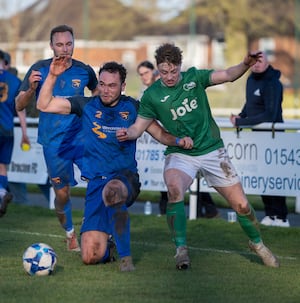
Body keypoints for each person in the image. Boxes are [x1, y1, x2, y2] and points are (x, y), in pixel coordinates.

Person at [116, 43, 280, 270]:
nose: (170, 76)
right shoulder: (152, 96)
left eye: (174, 71)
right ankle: (181, 249)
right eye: (164, 72)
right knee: (174, 189)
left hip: (212, 149)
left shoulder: (194, 77)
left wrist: (244, 64)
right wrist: (128, 133)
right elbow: (138, 127)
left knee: (242, 206)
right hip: (181, 153)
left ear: (180, 67)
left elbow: (228, 75)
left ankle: (257, 244)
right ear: (158, 69)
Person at [36, 58, 193, 271]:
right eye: (102, 84)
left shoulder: (134, 107)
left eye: (112, 85)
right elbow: (43, 104)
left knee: (112, 191)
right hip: (95, 184)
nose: (106, 90)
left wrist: (178, 140)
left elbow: (160, 134)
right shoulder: (86, 105)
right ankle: (107, 244)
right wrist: (53, 76)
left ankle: (126, 259)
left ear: (122, 86)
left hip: (124, 178)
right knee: (90, 256)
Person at [15, 24, 99, 251]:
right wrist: (32, 90)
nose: (64, 49)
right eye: (59, 44)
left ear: (74, 43)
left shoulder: (84, 70)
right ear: (51, 45)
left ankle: (95, 229)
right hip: (54, 144)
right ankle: (70, 232)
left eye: (69, 44)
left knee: (99, 180)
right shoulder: (39, 69)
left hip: (82, 139)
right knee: (62, 195)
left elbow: (98, 94)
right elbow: (19, 104)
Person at [230, 51, 289, 228]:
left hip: (273, 137)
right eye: (254, 61)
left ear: (267, 62)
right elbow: (250, 103)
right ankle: (270, 214)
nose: (256, 64)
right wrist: (241, 115)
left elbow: (270, 114)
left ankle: (281, 217)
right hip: (256, 137)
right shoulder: (250, 79)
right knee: (262, 176)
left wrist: (242, 122)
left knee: (274, 177)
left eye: (260, 61)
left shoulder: (273, 83)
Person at [0, 50, 29, 217]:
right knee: (2, 165)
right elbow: (21, 108)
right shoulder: (15, 81)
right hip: (7, 130)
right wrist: (24, 133)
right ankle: (2, 192)